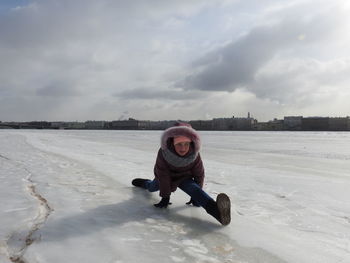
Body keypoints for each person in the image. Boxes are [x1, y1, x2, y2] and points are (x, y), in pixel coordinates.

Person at [132, 122, 231, 225]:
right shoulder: (164, 152)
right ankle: (145, 183)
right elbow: (163, 174)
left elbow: (199, 174)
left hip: (184, 178)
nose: (183, 148)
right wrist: (165, 197)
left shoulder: (194, 154)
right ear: (172, 142)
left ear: (191, 143)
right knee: (152, 187)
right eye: (179, 144)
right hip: (165, 178)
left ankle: (218, 212)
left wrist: (195, 196)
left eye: (186, 144)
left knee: (195, 190)